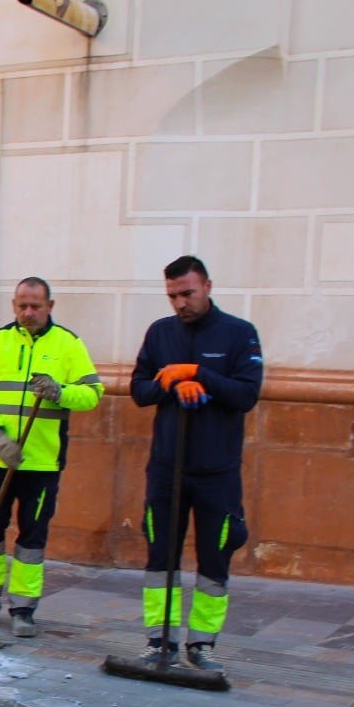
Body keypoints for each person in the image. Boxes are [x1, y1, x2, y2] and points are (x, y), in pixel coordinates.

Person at [129, 255, 262, 673]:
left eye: (187, 293)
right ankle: (159, 641)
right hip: (167, 467)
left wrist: (199, 374)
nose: (180, 303)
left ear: (207, 285)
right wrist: (167, 382)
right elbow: (139, 389)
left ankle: (201, 644)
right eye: (172, 296)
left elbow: (246, 394)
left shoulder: (239, 334)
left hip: (216, 470)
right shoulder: (160, 333)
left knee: (214, 557)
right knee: (160, 555)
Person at [0, 276, 103, 637]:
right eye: (22, 305)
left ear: (49, 307)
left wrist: (61, 392)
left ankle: (23, 607)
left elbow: (93, 393)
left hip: (42, 463)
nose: (28, 312)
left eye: (35, 306)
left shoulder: (68, 344)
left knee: (32, 536)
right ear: (13, 305)